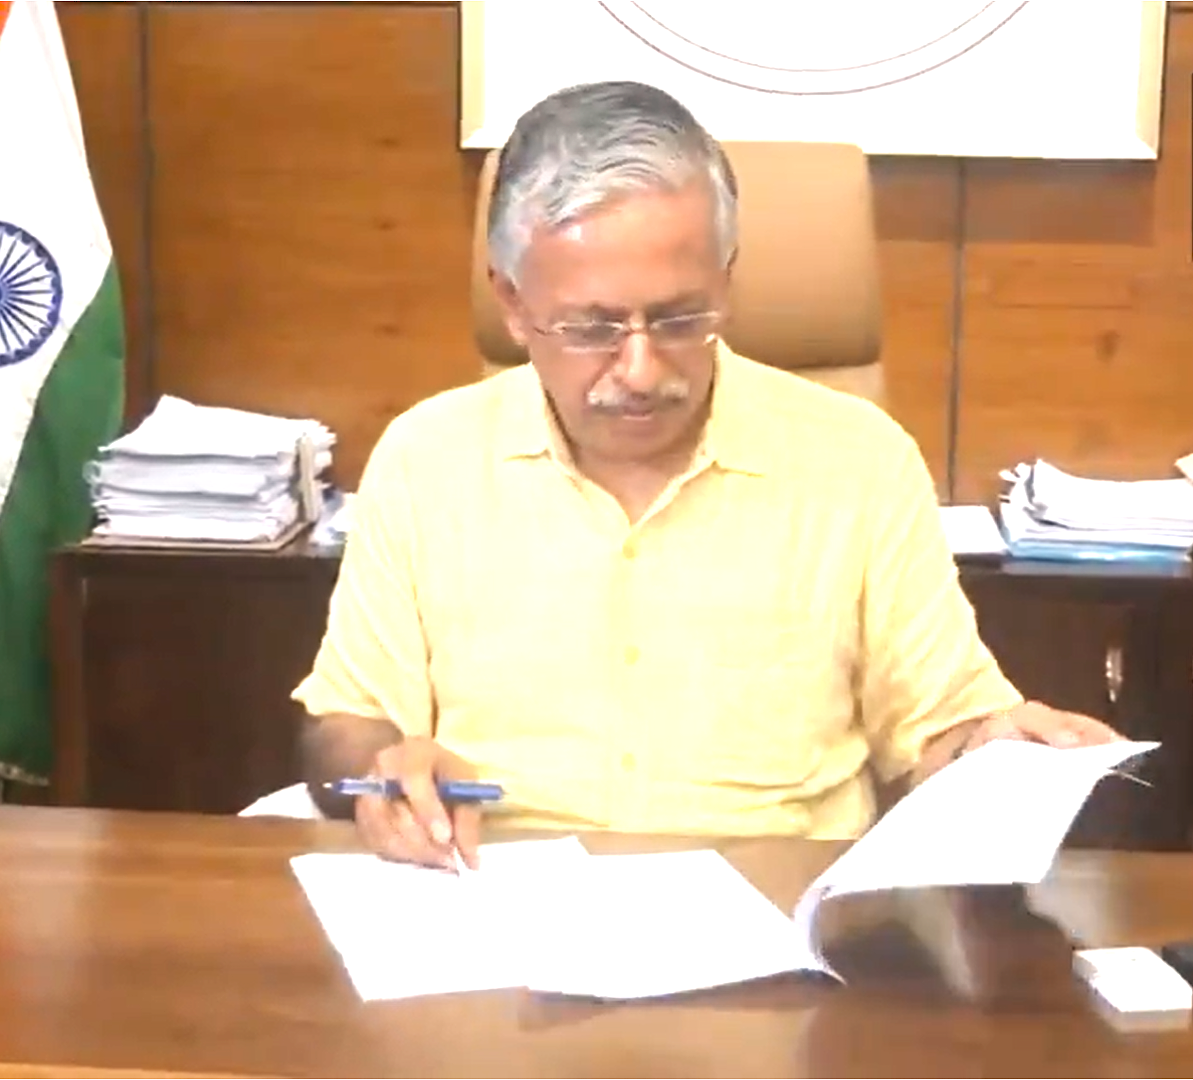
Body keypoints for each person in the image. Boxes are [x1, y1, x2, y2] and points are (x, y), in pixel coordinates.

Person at [291, 80, 1120, 871]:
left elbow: (937, 735)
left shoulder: (858, 462)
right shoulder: (427, 459)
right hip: (492, 900)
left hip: (776, 915)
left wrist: (993, 750)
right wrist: (383, 768)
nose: (641, 370)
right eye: (592, 328)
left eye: (679, 318)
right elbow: (347, 720)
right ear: (511, 302)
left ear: (727, 276)